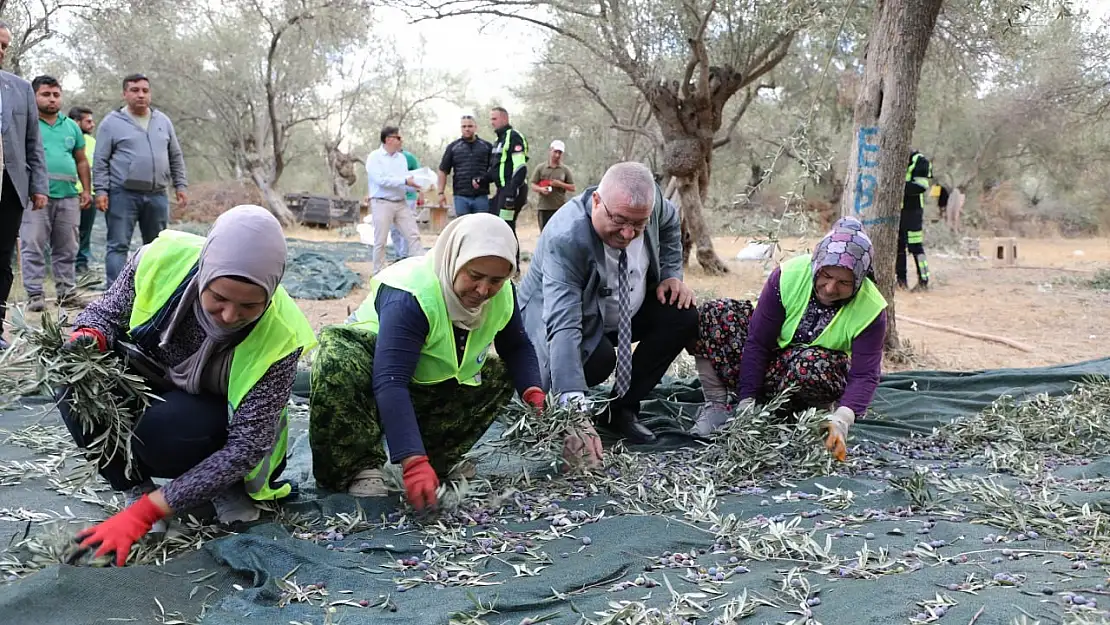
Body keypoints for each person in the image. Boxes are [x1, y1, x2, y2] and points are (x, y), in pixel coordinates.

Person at [62, 206, 316, 566]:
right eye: (219, 298)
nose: (229, 316)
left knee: (166, 431)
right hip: (151, 379)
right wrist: (90, 337)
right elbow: (103, 313)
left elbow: (247, 446)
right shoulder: (160, 262)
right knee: (74, 380)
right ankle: (135, 487)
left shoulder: (282, 335)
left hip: (212, 418)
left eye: (248, 306)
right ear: (204, 273)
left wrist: (148, 515)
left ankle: (217, 488)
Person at [310, 213, 575, 507]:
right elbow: (390, 379)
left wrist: (534, 393)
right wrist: (412, 460)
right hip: (372, 372)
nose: (484, 290)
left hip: (424, 382)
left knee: (501, 374)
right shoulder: (411, 294)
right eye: (474, 276)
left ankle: (436, 458)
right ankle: (358, 466)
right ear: (454, 260)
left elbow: (516, 346)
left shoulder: (502, 295)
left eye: (496, 280)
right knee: (337, 357)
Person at [519, 162, 697, 446]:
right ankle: (563, 403)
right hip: (562, 315)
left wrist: (671, 274)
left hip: (625, 310)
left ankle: (622, 410)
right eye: (619, 221)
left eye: (638, 224)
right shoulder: (566, 237)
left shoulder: (653, 206)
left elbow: (670, 221)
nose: (628, 233)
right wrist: (572, 413)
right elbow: (563, 325)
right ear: (597, 202)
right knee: (596, 363)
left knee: (681, 313)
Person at [689, 217, 887, 463]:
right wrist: (746, 401)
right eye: (825, 275)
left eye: (844, 282)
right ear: (816, 265)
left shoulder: (871, 308)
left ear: (859, 280)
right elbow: (758, 342)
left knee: (812, 363)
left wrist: (843, 419)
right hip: (769, 362)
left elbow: (864, 374)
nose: (829, 288)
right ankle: (719, 406)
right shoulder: (789, 276)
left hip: (811, 374)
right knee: (715, 312)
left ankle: (809, 416)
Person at [94, 73, 189, 289]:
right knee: (118, 245)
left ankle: (154, 292)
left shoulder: (162, 121)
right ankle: (115, 295)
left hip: (157, 195)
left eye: (145, 90)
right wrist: (101, 191)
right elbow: (100, 160)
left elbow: (175, 155)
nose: (141, 95)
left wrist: (180, 185)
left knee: (157, 246)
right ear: (125, 94)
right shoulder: (111, 123)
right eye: (135, 90)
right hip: (122, 194)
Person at [19, 76, 92, 312]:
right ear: (33, 96)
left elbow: (81, 160)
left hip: (69, 196)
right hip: (35, 197)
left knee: (68, 247)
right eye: (46, 94)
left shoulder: (71, 126)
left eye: (56, 94)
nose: (52, 99)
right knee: (33, 244)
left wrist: (87, 190)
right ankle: (34, 294)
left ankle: (66, 294)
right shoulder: (26, 123)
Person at [0, 21, 50, 350]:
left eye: (4, 45)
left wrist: (38, 185)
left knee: (2, 260)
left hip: (9, 187)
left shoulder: (19, 88)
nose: (1, 51)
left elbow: (34, 141)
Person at [365, 125, 424, 274]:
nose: (401, 141)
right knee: (381, 240)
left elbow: (404, 181)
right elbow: (381, 180)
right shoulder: (374, 158)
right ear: (388, 139)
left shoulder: (401, 159)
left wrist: (418, 186)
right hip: (381, 202)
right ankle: (378, 272)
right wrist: (405, 181)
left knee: (413, 235)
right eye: (398, 138)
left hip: (401, 202)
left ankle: (421, 270)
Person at [483, 107, 528, 252]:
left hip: (514, 190)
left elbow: (520, 167)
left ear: (504, 119)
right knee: (494, 224)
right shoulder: (498, 141)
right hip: (502, 190)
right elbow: (496, 170)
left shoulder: (513, 136)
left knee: (506, 226)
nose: (492, 122)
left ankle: (513, 267)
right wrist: (481, 180)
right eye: (491, 119)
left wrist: (512, 191)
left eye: (494, 119)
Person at [437, 114, 493, 217]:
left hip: (481, 196)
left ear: (475, 127)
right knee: (463, 226)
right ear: (461, 128)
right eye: (464, 126)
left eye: (470, 126)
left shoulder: (487, 147)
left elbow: (495, 169)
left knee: (481, 226)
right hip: (461, 196)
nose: (467, 129)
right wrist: (440, 193)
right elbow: (443, 170)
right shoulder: (453, 147)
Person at [70, 106, 100, 275]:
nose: (92, 124)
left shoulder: (93, 142)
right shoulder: (66, 139)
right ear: (76, 122)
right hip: (70, 193)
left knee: (85, 232)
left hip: (90, 195)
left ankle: (81, 264)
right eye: (88, 121)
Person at [897, 150, 932, 291]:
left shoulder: (919, 160)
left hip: (913, 212)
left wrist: (897, 186)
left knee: (915, 247)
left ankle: (924, 280)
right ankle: (901, 282)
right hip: (897, 213)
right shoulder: (894, 158)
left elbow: (921, 186)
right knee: (898, 247)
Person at [530, 139, 576, 232]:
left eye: (560, 153)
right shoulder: (541, 168)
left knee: (559, 233)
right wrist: (541, 189)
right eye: (555, 152)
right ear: (550, 151)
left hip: (559, 208)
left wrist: (560, 184)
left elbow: (572, 187)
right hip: (544, 208)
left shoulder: (565, 170)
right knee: (544, 233)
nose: (557, 155)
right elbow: (533, 185)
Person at [390, 149, 424, 258]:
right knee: (394, 229)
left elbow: (419, 177)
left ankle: (404, 255)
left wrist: (421, 193)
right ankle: (398, 253)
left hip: (409, 197)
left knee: (407, 228)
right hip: (392, 197)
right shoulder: (385, 159)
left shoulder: (409, 158)